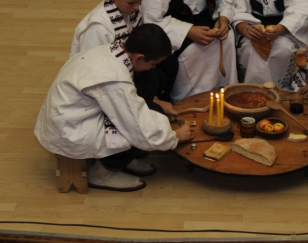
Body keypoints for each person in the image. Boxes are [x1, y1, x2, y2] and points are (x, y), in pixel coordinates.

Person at [35, 24, 193, 192]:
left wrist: (156, 104)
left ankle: (123, 159)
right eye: (153, 63)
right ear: (139, 58)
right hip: (70, 129)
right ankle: (103, 172)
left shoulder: (114, 50)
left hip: (74, 112)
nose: (154, 66)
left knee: (149, 82)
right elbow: (136, 126)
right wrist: (173, 136)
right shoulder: (115, 81)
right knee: (140, 127)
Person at [70, 0, 176, 113]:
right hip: (105, 81)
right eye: (131, 3)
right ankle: (149, 110)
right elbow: (92, 72)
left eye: (140, 1)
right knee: (152, 84)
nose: (137, 7)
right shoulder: (98, 28)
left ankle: (157, 105)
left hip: (126, 65)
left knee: (166, 66)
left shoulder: (129, 8)